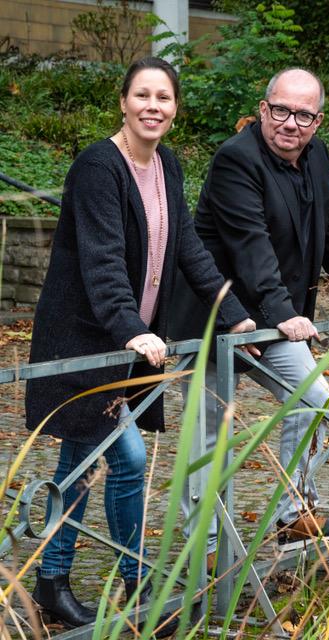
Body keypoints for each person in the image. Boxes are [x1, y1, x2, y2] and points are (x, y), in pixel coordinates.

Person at [25, 57, 257, 632]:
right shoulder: (99, 167)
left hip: (131, 342)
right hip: (85, 342)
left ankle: (68, 579)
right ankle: (118, 578)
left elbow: (189, 252)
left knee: (82, 461)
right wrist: (131, 329)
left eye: (165, 98)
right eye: (143, 96)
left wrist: (234, 316)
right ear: (123, 102)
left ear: (175, 108)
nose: (154, 106)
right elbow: (103, 262)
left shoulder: (167, 166)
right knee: (119, 456)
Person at [170, 67, 329, 559]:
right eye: (281, 110)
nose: (291, 123)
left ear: (318, 121)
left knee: (315, 400)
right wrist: (282, 313)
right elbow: (251, 245)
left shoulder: (315, 156)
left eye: (303, 114)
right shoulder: (235, 160)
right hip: (217, 317)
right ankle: (202, 547)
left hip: (273, 317)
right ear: (264, 108)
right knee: (209, 428)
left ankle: (293, 514)